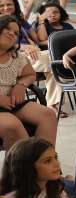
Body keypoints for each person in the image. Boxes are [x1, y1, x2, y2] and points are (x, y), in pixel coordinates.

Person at [0, 15, 57, 148]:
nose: (11, 34)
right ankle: (26, 159)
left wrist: (21, 85)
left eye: (16, 33)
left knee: (48, 114)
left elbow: (30, 75)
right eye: (7, 29)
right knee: (12, 125)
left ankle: (45, 157)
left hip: (11, 102)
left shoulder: (17, 57)